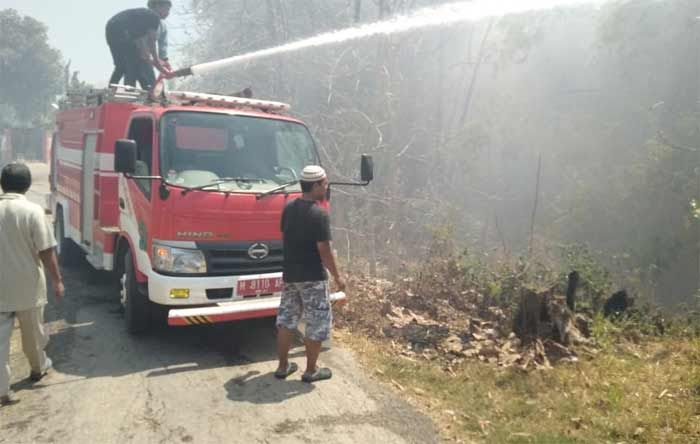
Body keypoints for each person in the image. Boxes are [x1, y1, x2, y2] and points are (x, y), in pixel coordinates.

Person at [0, 163, 64, 407]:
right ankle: (38, 369)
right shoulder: (32, 211)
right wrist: (57, 280)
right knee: (34, 335)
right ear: (27, 185)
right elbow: (46, 250)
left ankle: (2, 391)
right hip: (28, 288)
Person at [275, 166, 346, 383]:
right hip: (312, 277)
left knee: (287, 319)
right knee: (316, 322)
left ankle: (283, 367)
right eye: (324, 184)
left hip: (290, 274)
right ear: (315, 186)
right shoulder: (319, 213)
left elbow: (286, 236)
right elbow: (324, 250)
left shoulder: (288, 207)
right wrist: (338, 277)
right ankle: (311, 371)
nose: (326, 188)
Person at [105, 3, 174, 90]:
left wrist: (160, 61)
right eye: (166, 9)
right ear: (157, 7)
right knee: (132, 62)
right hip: (120, 31)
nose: (168, 13)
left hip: (111, 29)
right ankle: (134, 90)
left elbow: (141, 44)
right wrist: (157, 63)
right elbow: (151, 43)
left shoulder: (143, 17)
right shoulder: (153, 17)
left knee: (121, 66)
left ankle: (111, 91)